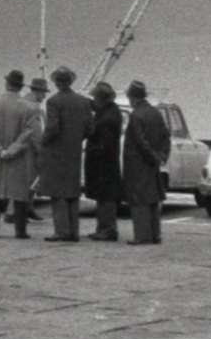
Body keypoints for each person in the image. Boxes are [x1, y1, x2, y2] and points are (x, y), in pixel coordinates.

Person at [38, 66, 94, 242]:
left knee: (58, 192)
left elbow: (52, 127)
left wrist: (43, 142)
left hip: (56, 151)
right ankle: (73, 231)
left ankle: (61, 231)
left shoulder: (54, 102)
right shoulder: (84, 102)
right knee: (72, 191)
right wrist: (76, 139)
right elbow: (90, 128)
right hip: (74, 151)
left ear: (56, 82)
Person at [0, 69, 37, 239]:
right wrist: (12, 150)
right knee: (20, 194)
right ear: (21, 87)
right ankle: (20, 231)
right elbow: (28, 133)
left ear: (6, 84)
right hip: (18, 157)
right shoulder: (29, 108)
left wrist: (0, 150)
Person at [122, 80, 170, 245]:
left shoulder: (136, 115)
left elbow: (140, 141)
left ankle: (142, 235)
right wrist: (161, 156)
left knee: (139, 200)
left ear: (132, 97)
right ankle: (155, 234)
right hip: (152, 164)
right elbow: (165, 136)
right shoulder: (155, 113)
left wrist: (152, 156)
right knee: (152, 199)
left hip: (138, 163)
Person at [83, 82, 124, 241]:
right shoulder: (110, 111)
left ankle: (107, 229)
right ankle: (103, 228)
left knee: (106, 197)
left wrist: (92, 149)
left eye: (95, 97)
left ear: (101, 98)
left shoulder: (107, 117)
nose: (94, 100)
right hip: (106, 162)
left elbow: (105, 144)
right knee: (103, 196)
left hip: (104, 163)